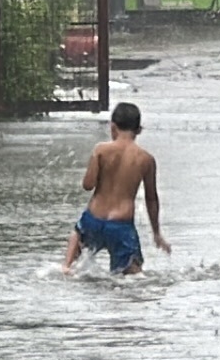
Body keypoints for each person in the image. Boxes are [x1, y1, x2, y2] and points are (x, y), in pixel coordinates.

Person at [64, 101, 169, 275]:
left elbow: (87, 185)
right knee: (132, 276)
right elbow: (152, 198)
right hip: (121, 225)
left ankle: (66, 267)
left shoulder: (101, 150)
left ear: (113, 127)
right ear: (139, 130)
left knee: (77, 234)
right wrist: (156, 233)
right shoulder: (146, 159)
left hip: (94, 220)